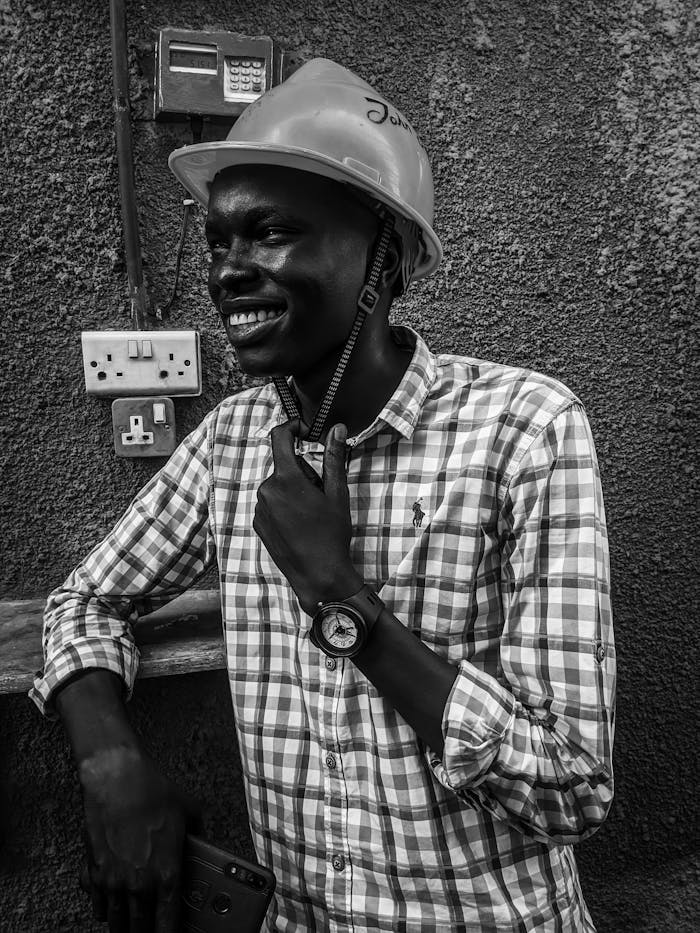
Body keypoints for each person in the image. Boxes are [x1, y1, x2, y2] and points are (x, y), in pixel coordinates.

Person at [30, 59, 615, 932]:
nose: (229, 270)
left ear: (385, 258)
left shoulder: (525, 429)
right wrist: (109, 764)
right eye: (218, 243)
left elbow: (570, 786)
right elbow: (85, 601)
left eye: (270, 232)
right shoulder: (232, 441)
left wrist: (340, 599)